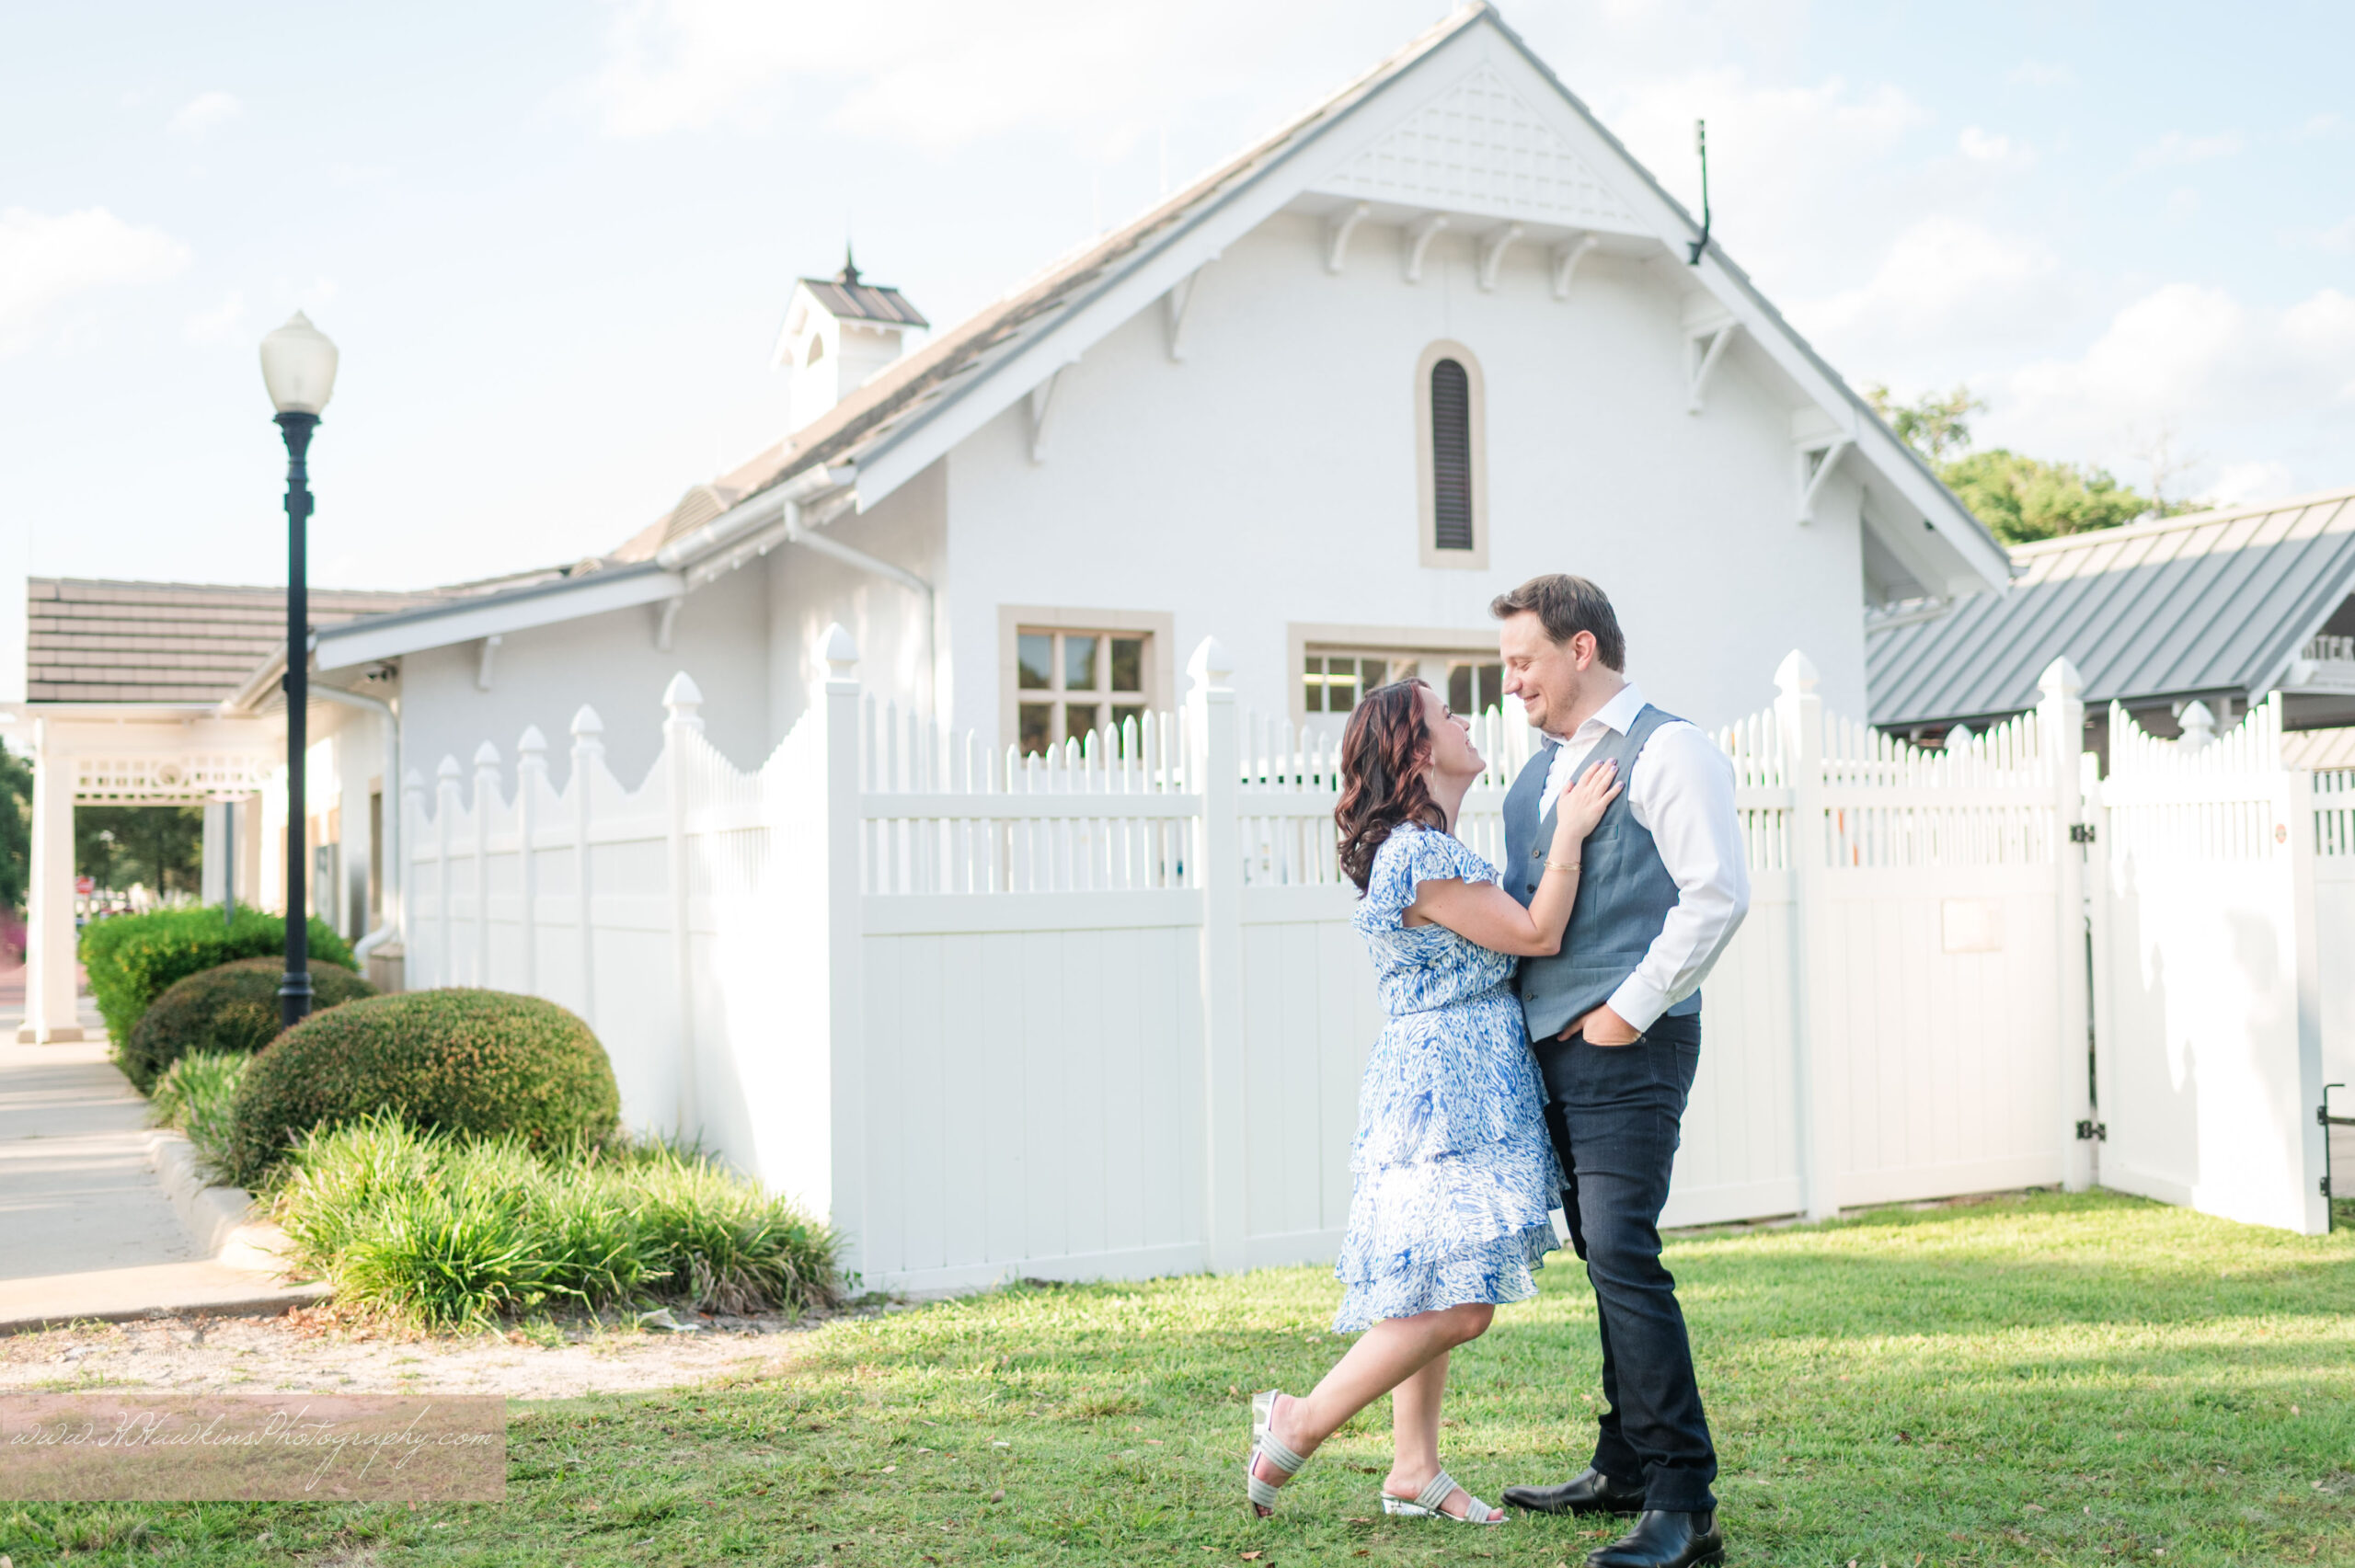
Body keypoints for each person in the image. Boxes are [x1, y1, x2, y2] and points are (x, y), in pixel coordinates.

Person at [1243, 678, 1623, 1525]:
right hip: (1445, 1087)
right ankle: (1296, 1418)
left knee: (1432, 1281)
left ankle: (1413, 1467)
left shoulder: (1423, 845)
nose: (1463, 721)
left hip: (1450, 1072)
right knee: (1462, 1302)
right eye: (1445, 715)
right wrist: (1568, 831)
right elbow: (1536, 934)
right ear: (1417, 750)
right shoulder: (1417, 852)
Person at [1488, 575, 1750, 1568]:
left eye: (1523, 662)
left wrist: (1623, 1014)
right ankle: (1625, 1465)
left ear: (1581, 648)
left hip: (1628, 1046)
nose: (1512, 684)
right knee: (1603, 1253)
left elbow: (1714, 894)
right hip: (1554, 1046)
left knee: (1624, 1254)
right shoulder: (1542, 772)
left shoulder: (1670, 748)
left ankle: (1685, 1503)